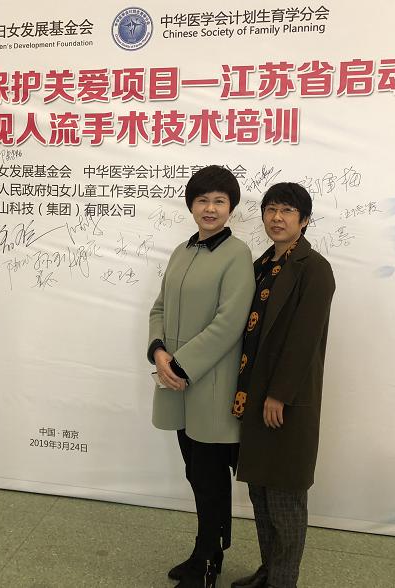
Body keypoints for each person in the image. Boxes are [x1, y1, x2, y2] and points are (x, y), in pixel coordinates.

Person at [148, 165, 255, 588]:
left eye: (219, 201)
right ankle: (205, 553)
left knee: (210, 478)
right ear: (191, 205)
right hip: (176, 382)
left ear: (231, 208)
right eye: (202, 200)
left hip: (209, 385)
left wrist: (180, 365)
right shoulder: (182, 250)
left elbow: (230, 322)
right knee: (195, 472)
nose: (210, 208)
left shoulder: (237, 254)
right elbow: (159, 308)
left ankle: (208, 560)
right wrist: (159, 351)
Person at [230, 183, 335, 588]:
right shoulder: (261, 264)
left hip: (285, 401)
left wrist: (279, 394)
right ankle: (268, 571)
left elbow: (305, 339)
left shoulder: (314, 268)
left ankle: (283, 580)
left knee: (285, 496)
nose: (277, 218)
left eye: (287, 211)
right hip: (252, 394)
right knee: (260, 492)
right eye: (271, 209)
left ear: (304, 220)